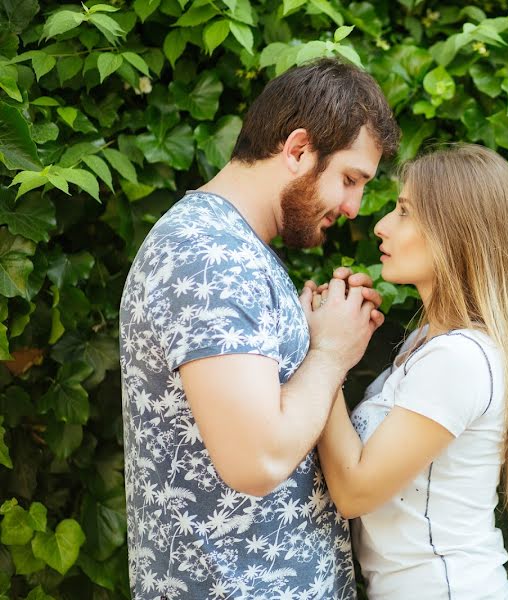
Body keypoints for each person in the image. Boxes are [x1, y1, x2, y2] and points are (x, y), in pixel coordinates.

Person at [118, 57, 399, 600]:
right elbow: (258, 459)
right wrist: (330, 353)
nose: (354, 207)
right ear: (297, 150)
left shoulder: (233, 248)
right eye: (349, 179)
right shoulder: (211, 256)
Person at [307, 144, 508, 600]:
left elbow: (353, 491)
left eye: (404, 212)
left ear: (455, 233)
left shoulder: (460, 359)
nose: (381, 225)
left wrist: (323, 352)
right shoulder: (427, 343)